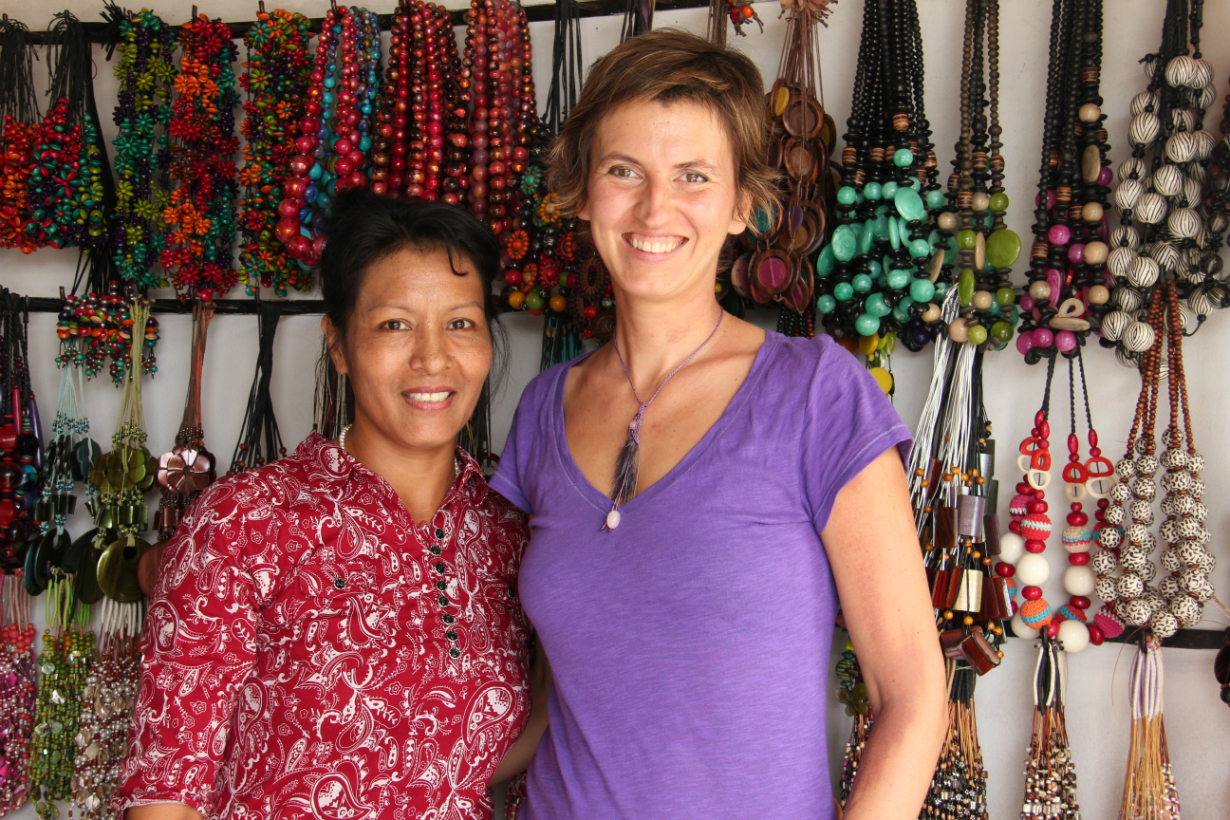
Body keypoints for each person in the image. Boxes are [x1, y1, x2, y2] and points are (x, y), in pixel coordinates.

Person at [490, 29, 946, 820]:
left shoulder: (815, 394)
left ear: (742, 205)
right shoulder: (543, 409)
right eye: (623, 171)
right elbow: (556, 699)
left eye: (693, 177)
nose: (654, 208)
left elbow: (911, 698)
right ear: (583, 191)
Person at [117, 191, 549, 820]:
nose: (433, 358)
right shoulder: (246, 520)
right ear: (339, 344)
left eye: (461, 323)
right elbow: (166, 792)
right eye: (394, 324)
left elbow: (463, 762)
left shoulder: (508, 534)